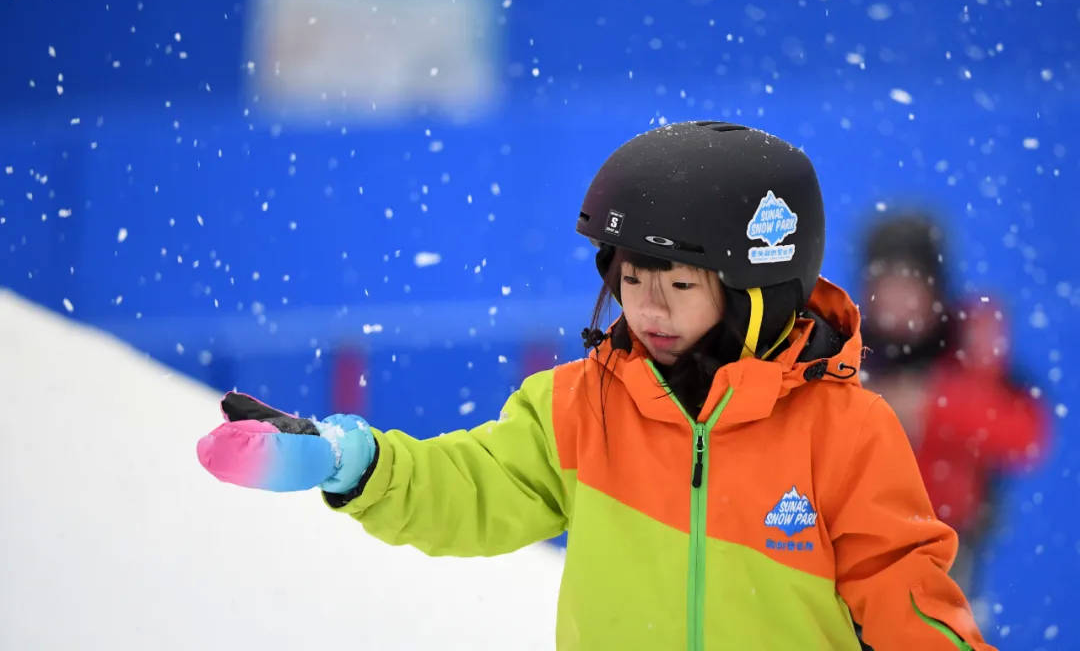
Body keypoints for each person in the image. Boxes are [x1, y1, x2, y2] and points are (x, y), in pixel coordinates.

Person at [197, 122, 994, 650]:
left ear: (758, 294)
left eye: (678, 286)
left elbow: (906, 596)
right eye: (632, 279)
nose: (648, 306)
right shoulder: (582, 407)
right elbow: (468, 487)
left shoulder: (843, 430)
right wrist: (353, 459)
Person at [858, 213, 1047, 596]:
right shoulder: (844, 348)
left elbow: (1027, 434)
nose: (897, 299)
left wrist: (933, 404)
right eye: (885, 283)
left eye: (910, 283)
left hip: (949, 559)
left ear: (936, 290)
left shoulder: (970, 353)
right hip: (855, 552)